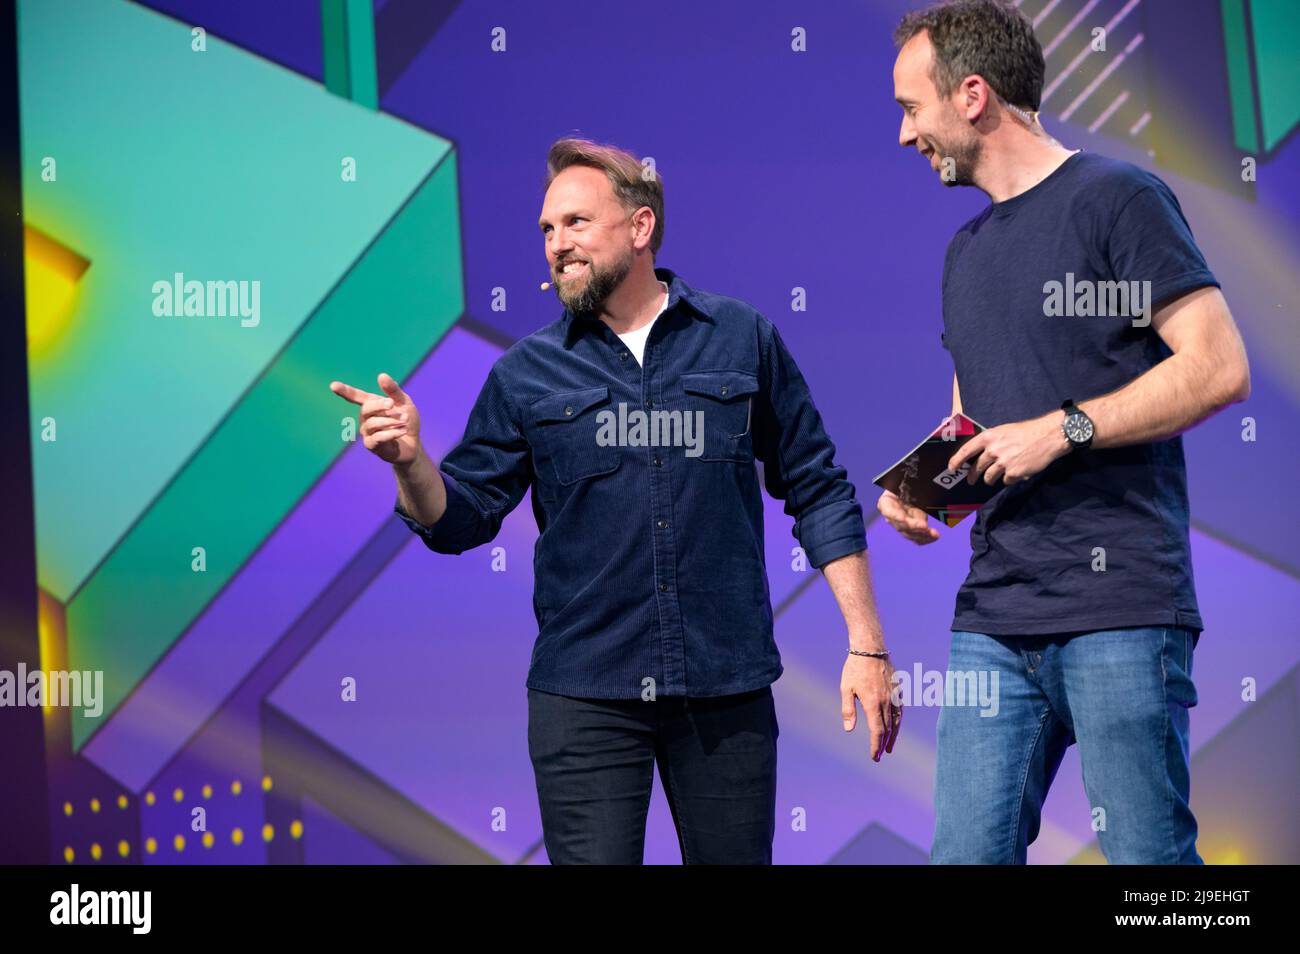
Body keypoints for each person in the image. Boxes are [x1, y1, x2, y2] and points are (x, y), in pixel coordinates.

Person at [330, 137, 899, 864]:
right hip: (585, 696)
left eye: (575, 224)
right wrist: (411, 464)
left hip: (724, 690)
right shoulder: (527, 373)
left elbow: (817, 486)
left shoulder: (740, 338)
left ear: (640, 229)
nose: (555, 245)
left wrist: (867, 643)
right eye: (545, 230)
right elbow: (460, 519)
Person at [883, 0, 1251, 865]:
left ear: (972, 95)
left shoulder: (1118, 199)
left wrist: (1065, 429)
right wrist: (935, 494)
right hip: (995, 614)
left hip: (1120, 603)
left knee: (1151, 870)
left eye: (911, 108)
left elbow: (1217, 366)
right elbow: (981, 423)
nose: (905, 137)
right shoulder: (964, 252)